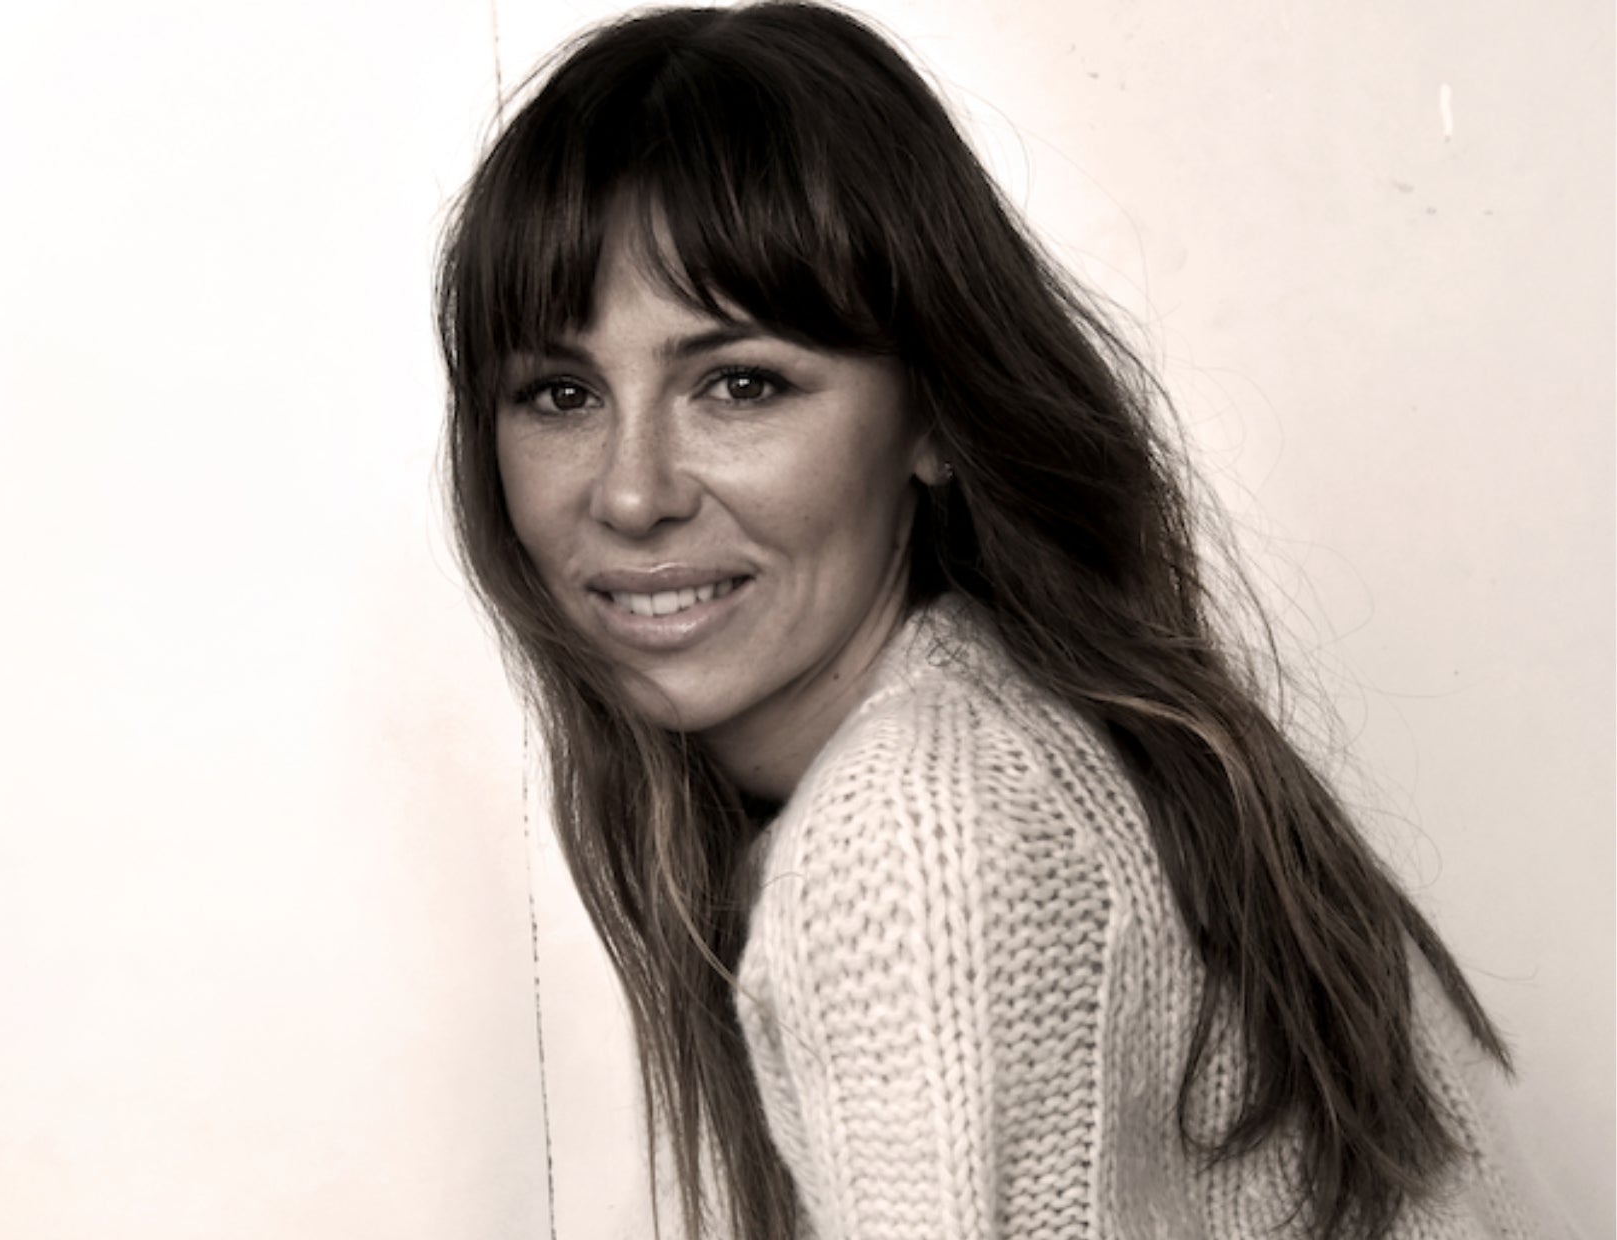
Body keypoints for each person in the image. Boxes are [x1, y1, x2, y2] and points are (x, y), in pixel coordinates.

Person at [437, 3, 1550, 1237]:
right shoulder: (1044, 736)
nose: (630, 491)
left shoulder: (911, 839)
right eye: (559, 393)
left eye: (740, 383)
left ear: (931, 416)